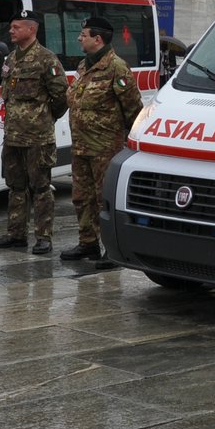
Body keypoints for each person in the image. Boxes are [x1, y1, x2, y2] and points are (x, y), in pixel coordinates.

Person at [62, 15, 142, 267]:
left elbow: (133, 109)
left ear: (98, 39)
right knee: (80, 196)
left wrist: (129, 144)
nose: (79, 38)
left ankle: (111, 249)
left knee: (103, 199)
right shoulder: (85, 66)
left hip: (104, 148)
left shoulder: (117, 68)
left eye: (83, 35)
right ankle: (88, 243)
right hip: (81, 146)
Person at [0, 9, 68, 255]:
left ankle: (44, 237)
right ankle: (16, 234)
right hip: (13, 136)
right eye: (11, 27)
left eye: (16, 27)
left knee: (41, 188)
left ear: (31, 30)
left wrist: (44, 118)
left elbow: (61, 97)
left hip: (37, 137)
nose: (11, 31)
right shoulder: (11, 60)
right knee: (15, 186)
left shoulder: (47, 60)